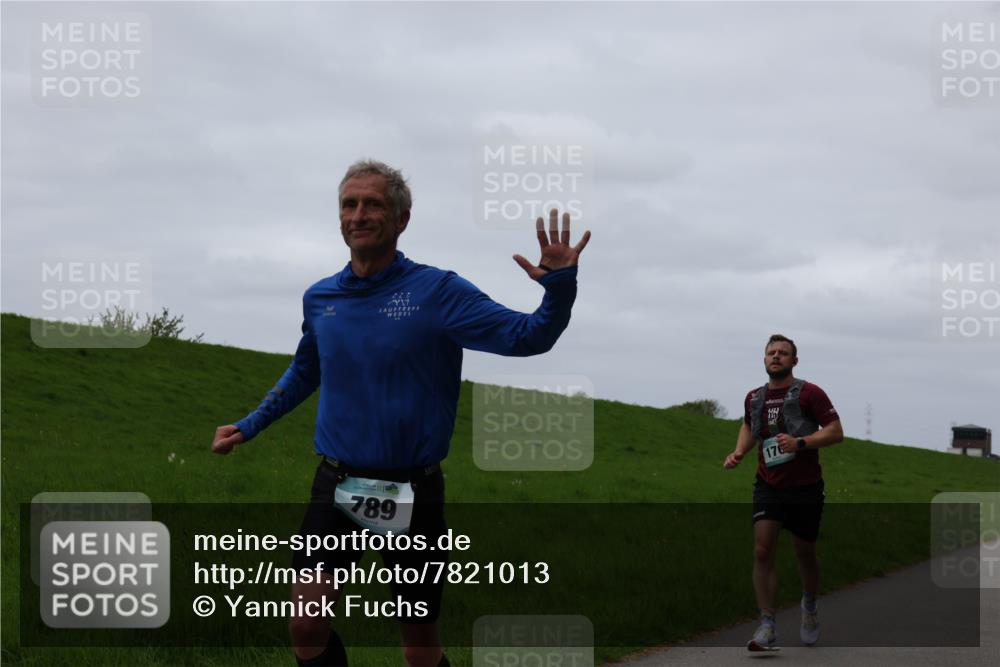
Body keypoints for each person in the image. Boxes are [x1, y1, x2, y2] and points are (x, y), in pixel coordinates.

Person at [210, 160, 590, 667]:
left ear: (402, 218)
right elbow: (306, 370)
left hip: (413, 490)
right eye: (350, 204)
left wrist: (559, 288)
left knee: (418, 643)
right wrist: (251, 424)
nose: (359, 214)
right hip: (339, 484)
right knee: (305, 621)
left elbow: (529, 337)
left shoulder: (439, 293)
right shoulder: (321, 298)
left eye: (374, 204)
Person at [723, 334, 843, 651]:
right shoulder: (753, 397)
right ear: (764, 359)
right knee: (763, 550)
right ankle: (767, 625)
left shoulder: (811, 393)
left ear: (794, 360)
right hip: (768, 484)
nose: (776, 357)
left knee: (804, 553)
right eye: (771, 353)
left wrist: (801, 443)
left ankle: (809, 606)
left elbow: (835, 431)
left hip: (805, 487)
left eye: (783, 353)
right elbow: (750, 426)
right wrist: (738, 452)